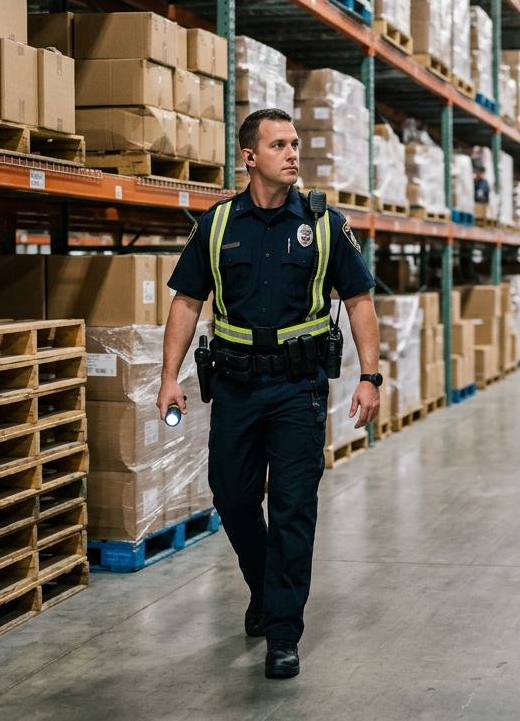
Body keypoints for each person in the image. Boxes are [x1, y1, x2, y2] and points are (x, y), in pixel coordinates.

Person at [157, 108, 381, 679]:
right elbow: (186, 301)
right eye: (279, 144)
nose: (292, 152)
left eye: (296, 142)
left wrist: (370, 376)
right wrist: (168, 378)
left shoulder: (324, 223)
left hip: (296, 388)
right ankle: (263, 586)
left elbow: (359, 300)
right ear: (250, 157)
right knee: (231, 498)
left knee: (291, 512)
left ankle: (283, 631)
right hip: (233, 385)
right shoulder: (217, 224)